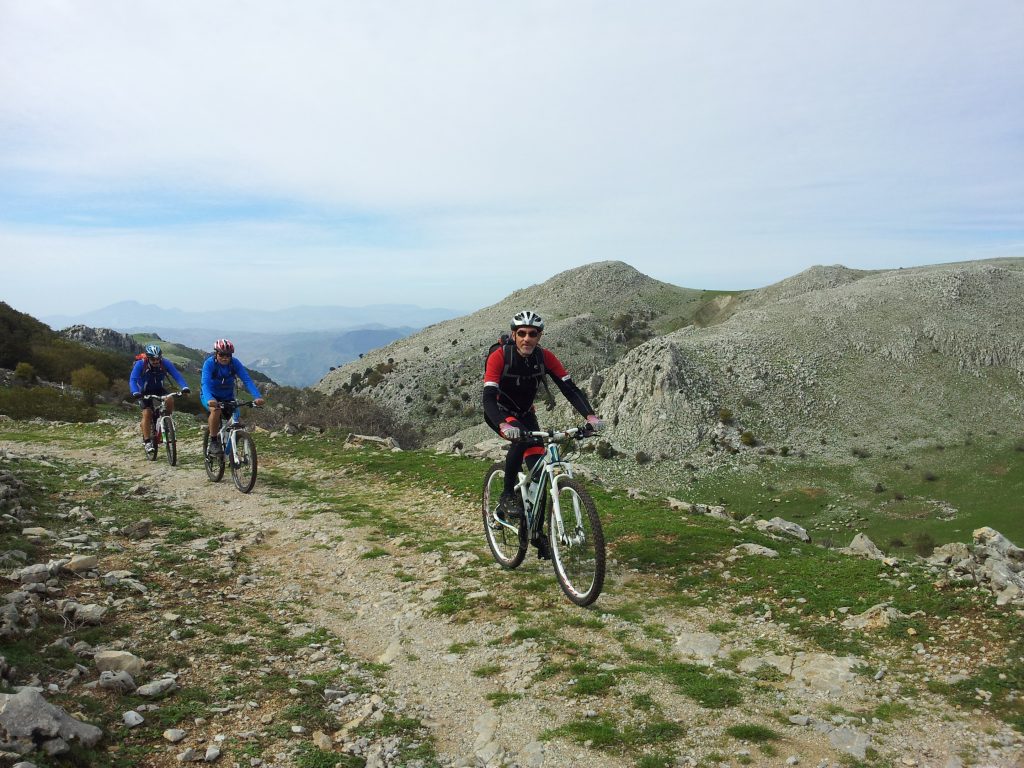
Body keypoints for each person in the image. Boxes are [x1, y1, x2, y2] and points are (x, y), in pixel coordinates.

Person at [483, 310, 604, 559]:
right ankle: (507, 495)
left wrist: (590, 417)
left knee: (538, 474)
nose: (527, 338)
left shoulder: (544, 357)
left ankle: (536, 534)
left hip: (526, 414)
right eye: (522, 333)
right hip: (500, 412)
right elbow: (488, 398)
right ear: (514, 335)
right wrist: (503, 425)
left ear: (539, 336)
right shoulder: (499, 356)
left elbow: (569, 388)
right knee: (520, 440)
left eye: (533, 334)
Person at [200, 339, 265, 455]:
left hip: (228, 397)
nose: (225, 358)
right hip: (210, 396)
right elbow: (205, 384)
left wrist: (257, 396)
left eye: (228, 355)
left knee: (237, 421)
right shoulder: (209, 364)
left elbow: (247, 380)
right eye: (221, 354)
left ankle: (232, 450)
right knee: (215, 411)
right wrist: (210, 399)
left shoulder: (235, 363)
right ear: (216, 353)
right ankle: (214, 441)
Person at [129, 343, 190, 456]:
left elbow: (176, 375)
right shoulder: (140, 364)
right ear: (148, 358)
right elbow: (133, 380)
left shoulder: (165, 363)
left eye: (158, 359)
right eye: (153, 359)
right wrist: (135, 392)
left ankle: (167, 420)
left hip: (159, 389)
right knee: (147, 413)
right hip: (143, 392)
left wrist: (185, 387)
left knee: (169, 399)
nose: (156, 361)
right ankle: (147, 442)